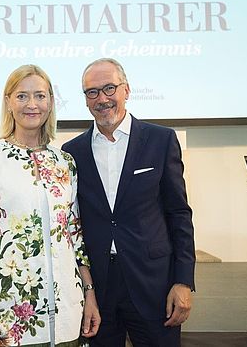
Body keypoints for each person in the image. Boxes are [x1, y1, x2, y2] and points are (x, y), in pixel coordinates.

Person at [0, 64, 100, 347]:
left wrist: (90, 294)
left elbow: (75, 236)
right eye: (22, 96)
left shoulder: (65, 162)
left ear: (50, 103)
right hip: (10, 315)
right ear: (8, 102)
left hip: (68, 313)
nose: (32, 104)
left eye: (40, 96)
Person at [61, 58, 195, 346]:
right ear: (85, 100)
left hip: (153, 284)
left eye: (109, 88)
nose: (102, 98)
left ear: (126, 90)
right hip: (98, 290)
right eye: (92, 92)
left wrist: (183, 281)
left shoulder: (161, 140)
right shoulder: (71, 153)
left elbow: (179, 213)